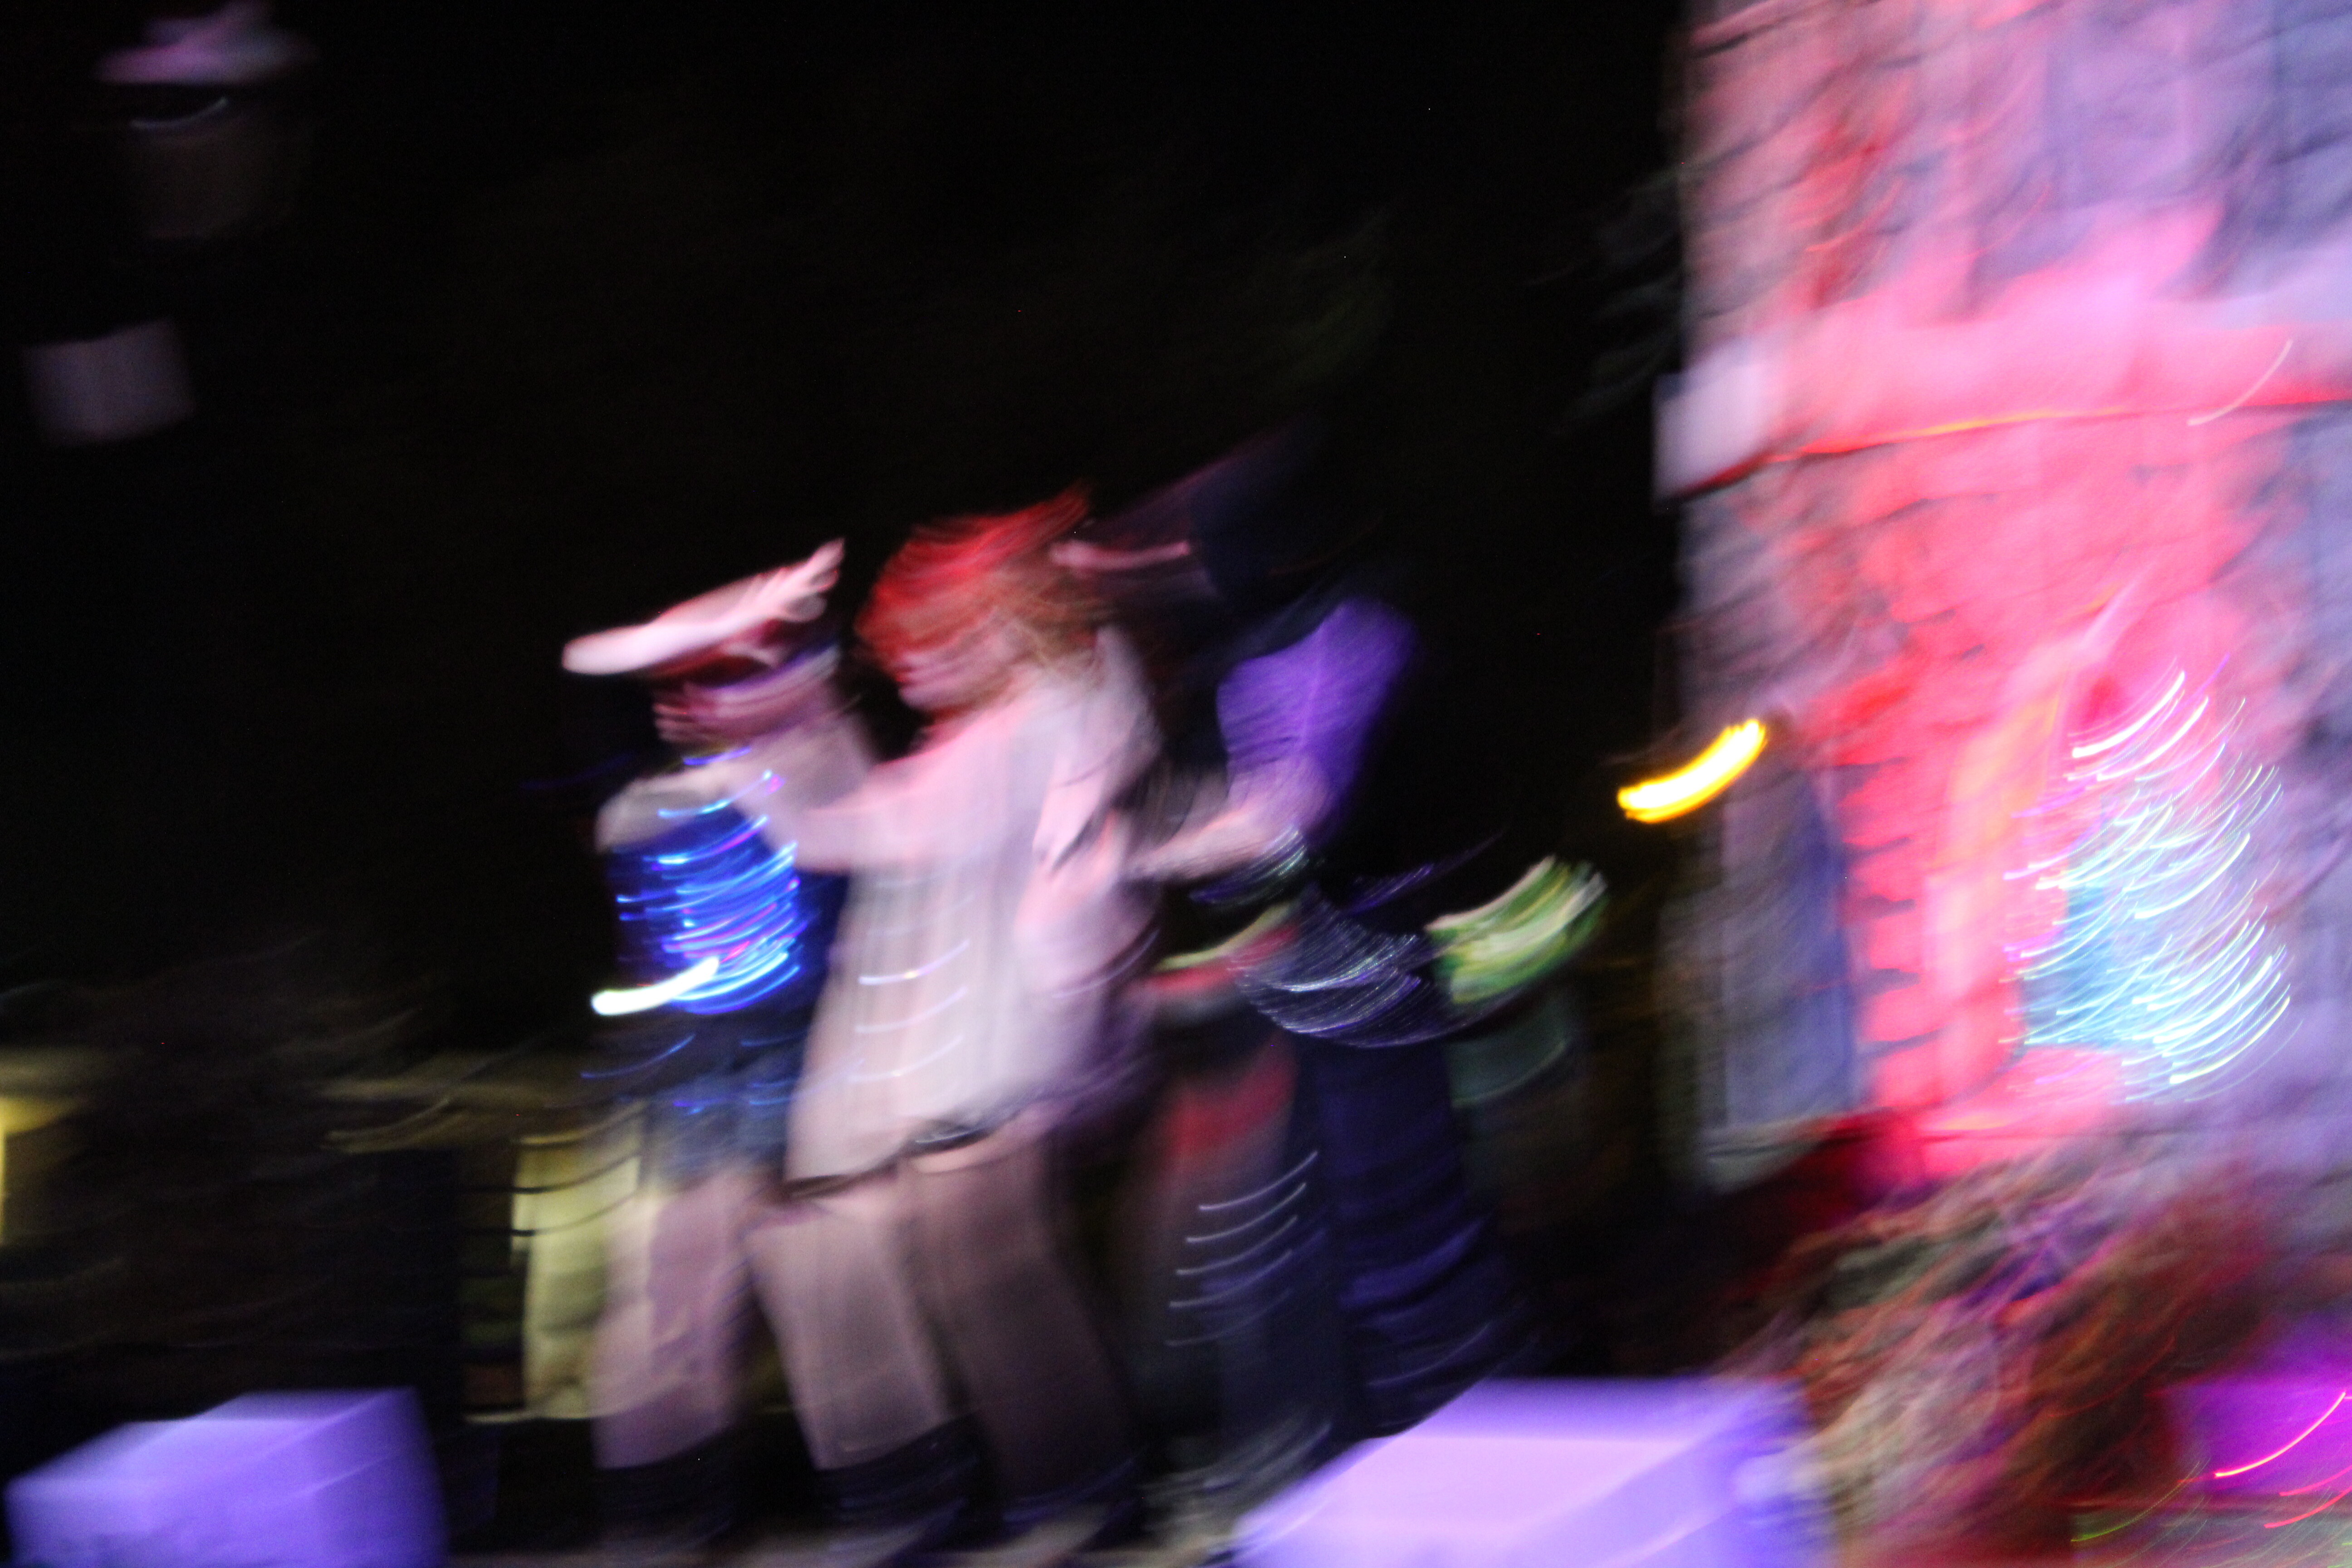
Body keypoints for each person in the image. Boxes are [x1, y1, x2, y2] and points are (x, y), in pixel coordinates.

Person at [664, 494, 1155, 1542]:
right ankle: (1070, 1497)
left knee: (1001, 1291)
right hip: (980, 1068)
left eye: (931, 639)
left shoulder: (1028, 732)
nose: (905, 665)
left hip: (998, 1066)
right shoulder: (1004, 733)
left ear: (996, 627)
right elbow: (878, 819)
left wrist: (750, 753)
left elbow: (849, 831)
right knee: (993, 1291)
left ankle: (1081, 1498)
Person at [560, 544, 864, 1547]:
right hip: (683, 1067)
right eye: (685, 681)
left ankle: (695, 1517)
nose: (694, 697)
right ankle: (653, 1524)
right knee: (664, 1307)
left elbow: (833, 789)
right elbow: (586, 663)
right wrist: (719, 627)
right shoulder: (649, 798)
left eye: (727, 674)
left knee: (752, 1303)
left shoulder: (817, 762)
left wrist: (763, 643)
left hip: (783, 1059)